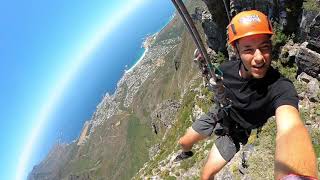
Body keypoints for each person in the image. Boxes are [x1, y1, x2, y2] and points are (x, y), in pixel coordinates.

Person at [173, 10, 318, 180]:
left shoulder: (280, 88)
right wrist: (209, 74)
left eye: (264, 47)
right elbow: (216, 73)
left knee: (206, 175)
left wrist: (295, 177)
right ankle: (186, 152)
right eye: (248, 49)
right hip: (220, 111)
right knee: (184, 142)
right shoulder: (227, 69)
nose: (259, 58)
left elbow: (290, 129)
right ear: (236, 50)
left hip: (235, 132)